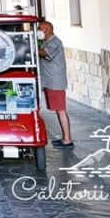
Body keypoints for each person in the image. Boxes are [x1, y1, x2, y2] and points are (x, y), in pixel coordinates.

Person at [37, 20, 73, 148]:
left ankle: (68, 140)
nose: (38, 32)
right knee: (58, 111)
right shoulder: (47, 42)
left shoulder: (55, 42)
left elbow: (44, 53)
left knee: (61, 111)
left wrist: (30, 48)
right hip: (50, 81)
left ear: (46, 29)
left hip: (55, 82)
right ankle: (65, 138)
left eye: (39, 29)